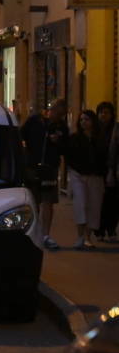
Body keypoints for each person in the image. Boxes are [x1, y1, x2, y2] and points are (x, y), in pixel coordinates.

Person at [21, 99, 69, 249]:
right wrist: (25, 154)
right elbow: (21, 136)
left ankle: (46, 234)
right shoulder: (34, 121)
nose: (59, 116)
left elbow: (65, 149)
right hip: (33, 167)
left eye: (62, 114)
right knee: (34, 201)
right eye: (57, 113)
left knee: (48, 202)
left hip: (50, 168)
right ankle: (33, 232)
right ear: (51, 109)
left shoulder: (62, 127)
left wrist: (57, 142)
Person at [67, 109, 107, 250]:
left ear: (93, 121)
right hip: (79, 175)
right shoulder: (75, 138)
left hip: (96, 176)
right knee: (81, 204)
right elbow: (69, 157)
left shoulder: (100, 138)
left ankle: (88, 237)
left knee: (94, 206)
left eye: (87, 119)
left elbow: (104, 157)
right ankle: (80, 237)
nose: (84, 122)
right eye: (82, 119)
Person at [99, 102, 117, 243]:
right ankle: (100, 230)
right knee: (99, 202)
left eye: (106, 112)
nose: (103, 115)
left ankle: (111, 229)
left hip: (112, 170)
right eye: (101, 112)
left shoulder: (116, 129)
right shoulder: (95, 130)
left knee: (112, 201)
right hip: (98, 170)